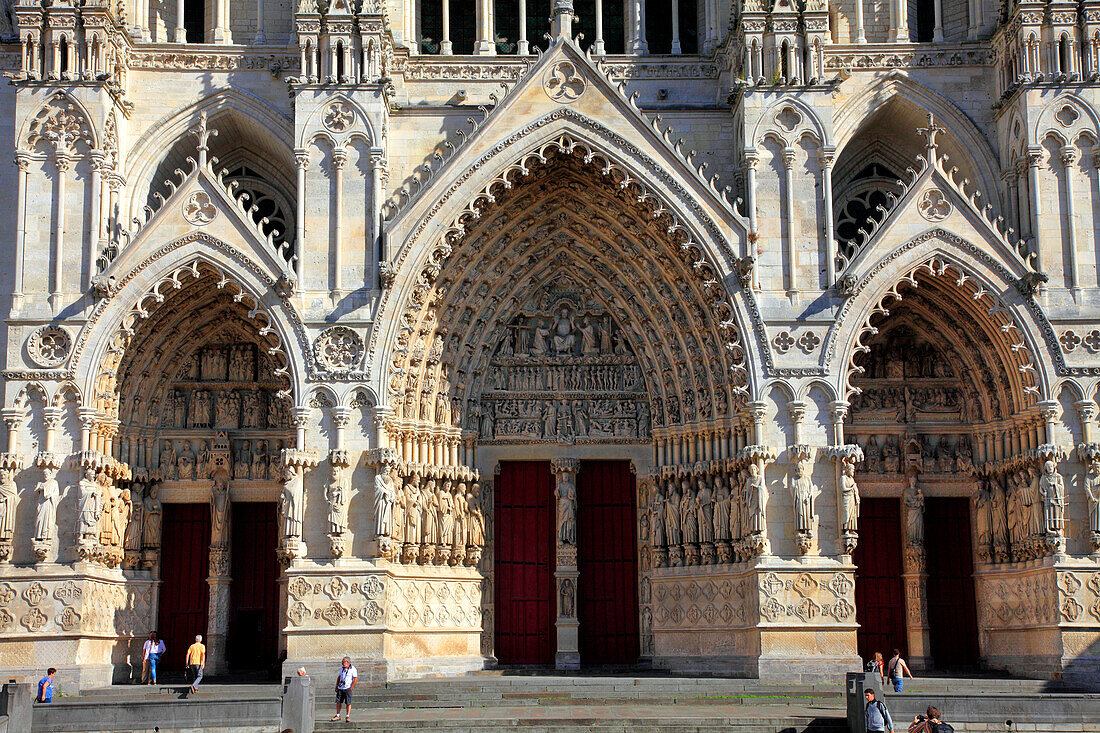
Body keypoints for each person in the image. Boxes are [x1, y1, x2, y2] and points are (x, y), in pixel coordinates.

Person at [331, 656, 358, 722]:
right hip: (341, 687)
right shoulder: (342, 668)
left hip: (347, 688)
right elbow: (339, 677)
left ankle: (347, 716)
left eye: (343, 662)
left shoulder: (353, 669)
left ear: (347, 662)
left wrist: (351, 687)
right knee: (338, 702)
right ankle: (337, 715)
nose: (342, 664)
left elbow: (355, 679)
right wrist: (337, 685)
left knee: (348, 702)